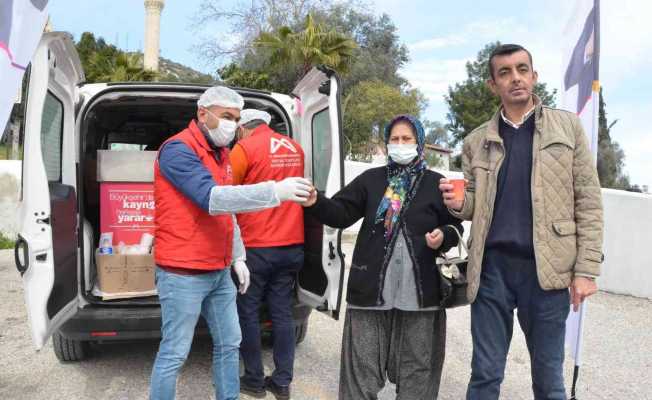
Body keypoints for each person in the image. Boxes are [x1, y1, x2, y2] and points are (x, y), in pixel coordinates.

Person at [439, 44, 604, 400]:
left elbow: (588, 202)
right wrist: (458, 203)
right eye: (505, 72)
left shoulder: (567, 128)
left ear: (533, 76)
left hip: (547, 271)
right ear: (492, 84)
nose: (515, 78)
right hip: (491, 271)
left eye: (522, 69)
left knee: (548, 381)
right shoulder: (475, 141)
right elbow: (473, 205)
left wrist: (585, 270)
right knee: (484, 375)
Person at [149, 86, 313, 400]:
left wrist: (238, 255)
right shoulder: (177, 150)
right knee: (174, 353)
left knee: (230, 344)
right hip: (183, 273)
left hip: (219, 271)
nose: (231, 125)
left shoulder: (223, 153)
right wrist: (274, 192)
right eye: (226, 116)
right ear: (202, 113)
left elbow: (229, 212)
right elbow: (212, 199)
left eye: (236, 119)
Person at [302, 115, 463, 400]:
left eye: (407, 139)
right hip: (371, 293)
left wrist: (443, 235)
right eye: (395, 139)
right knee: (360, 371)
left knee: (419, 372)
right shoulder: (371, 180)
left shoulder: (436, 184)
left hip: (420, 296)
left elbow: (455, 227)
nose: (400, 144)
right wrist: (317, 201)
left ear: (420, 143)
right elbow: (340, 213)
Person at [229, 109, 306, 399]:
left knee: (248, 312)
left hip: (256, 246)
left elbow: (227, 193)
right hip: (292, 244)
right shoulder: (294, 148)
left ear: (244, 128)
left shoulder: (244, 148)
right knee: (282, 313)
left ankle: (254, 380)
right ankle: (283, 381)